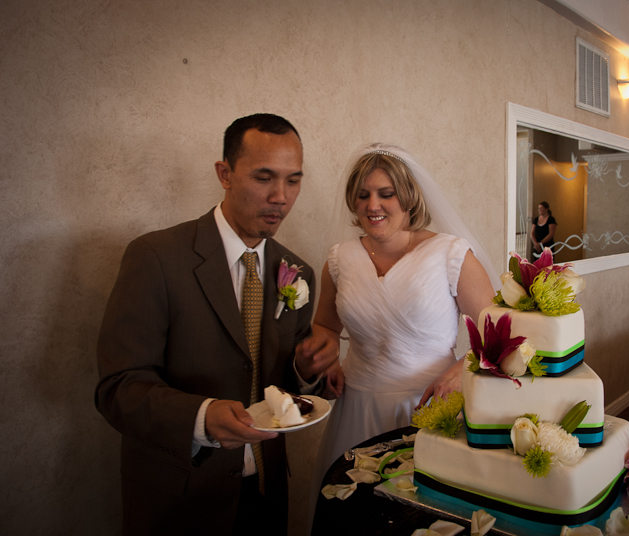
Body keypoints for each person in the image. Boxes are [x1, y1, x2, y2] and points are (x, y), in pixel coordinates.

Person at [95, 114, 337, 535]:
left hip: (266, 494)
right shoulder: (156, 257)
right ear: (225, 174)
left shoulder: (297, 271)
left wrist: (305, 370)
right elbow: (118, 387)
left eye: (293, 181)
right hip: (180, 499)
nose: (281, 197)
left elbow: (282, 391)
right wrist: (201, 417)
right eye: (264, 177)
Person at [305, 143, 497, 475]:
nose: (372, 205)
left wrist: (462, 369)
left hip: (430, 406)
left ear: (408, 197)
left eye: (386, 194)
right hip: (357, 409)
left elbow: (498, 334)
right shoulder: (339, 259)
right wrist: (329, 359)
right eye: (363, 195)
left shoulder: (449, 254)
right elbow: (325, 326)